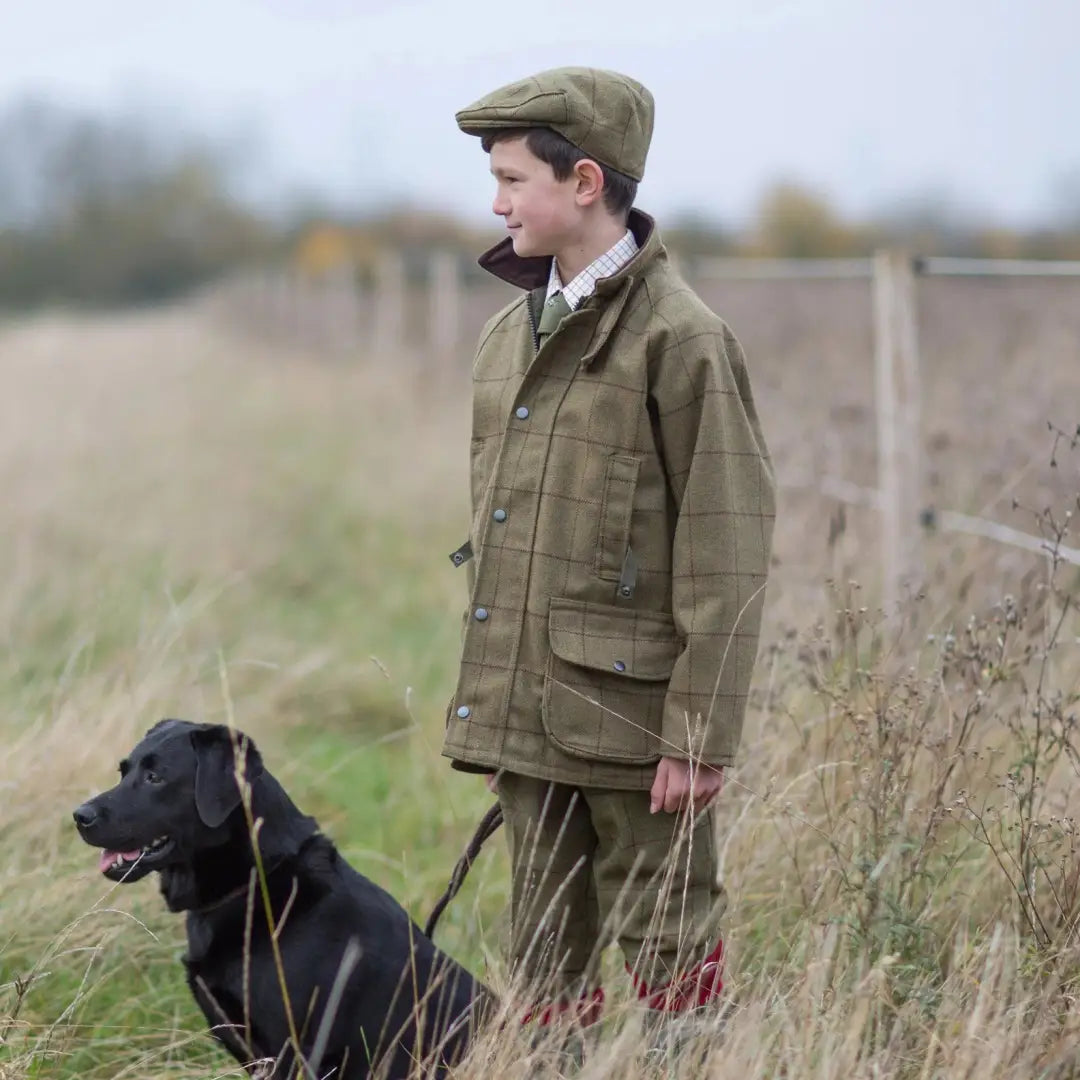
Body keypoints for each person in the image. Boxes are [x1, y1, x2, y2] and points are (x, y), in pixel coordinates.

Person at [443, 66, 775, 1046]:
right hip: (527, 709)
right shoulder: (509, 336)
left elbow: (729, 541)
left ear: (584, 182)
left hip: (635, 723)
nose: (495, 202)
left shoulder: (684, 340)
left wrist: (698, 732)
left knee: (671, 944)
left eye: (512, 180)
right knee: (544, 949)